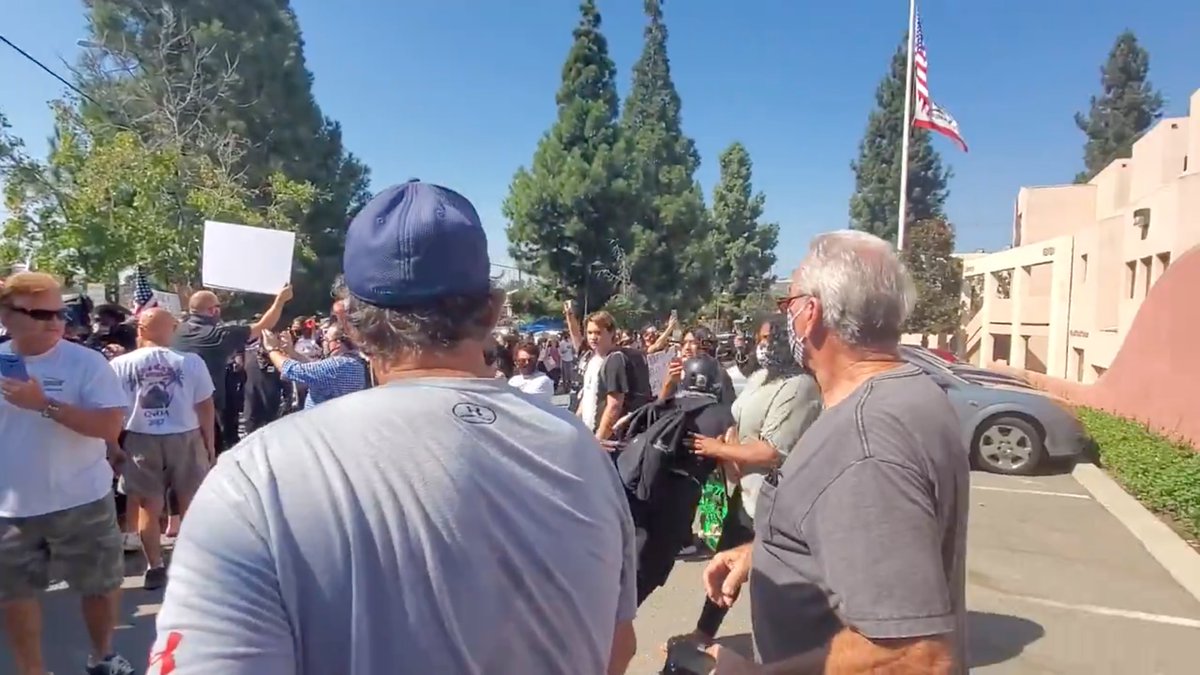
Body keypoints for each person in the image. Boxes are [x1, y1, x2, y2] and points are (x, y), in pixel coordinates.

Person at [149, 180, 638, 675]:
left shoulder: (254, 479)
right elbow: (618, 649)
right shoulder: (582, 451)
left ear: (356, 328)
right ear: (491, 312)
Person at [703, 231, 969, 674]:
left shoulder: (865, 439)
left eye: (788, 304)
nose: (784, 318)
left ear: (811, 314)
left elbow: (914, 656)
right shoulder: (909, 394)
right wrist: (766, 552)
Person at [0, 272, 135, 675]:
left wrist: (45, 405)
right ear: (7, 315)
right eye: (41, 314)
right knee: (15, 596)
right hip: (11, 507)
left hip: (82, 499)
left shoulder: (86, 362)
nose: (56, 322)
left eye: (61, 312)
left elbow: (110, 427)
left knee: (99, 587)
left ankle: (102, 654)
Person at [671, 314, 822, 647]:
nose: (762, 345)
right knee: (726, 565)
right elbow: (739, 417)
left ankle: (787, 653)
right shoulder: (762, 377)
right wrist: (731, 446)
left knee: (774, 579)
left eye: (769, 338)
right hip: (746, 491)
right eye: (760, 339)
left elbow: (773, 452)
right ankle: (703, 634)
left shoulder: (800, 387)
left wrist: (719, 448)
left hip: (779, 500)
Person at [109, 308, 216, 590]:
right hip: (185, 436)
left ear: (141, 330)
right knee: (191, 503)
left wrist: (112, 445)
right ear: (171, 329)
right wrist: (209, 443)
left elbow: (113, 411)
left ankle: (155, 566)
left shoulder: (120, 364)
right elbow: (204, 406)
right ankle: (194, 564)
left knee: (148, 506)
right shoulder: (191, 362)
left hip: (141, 437)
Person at [617, 353, 734, 606]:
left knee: (626, 566)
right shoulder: (723, 416)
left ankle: (607, 621)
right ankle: (612, 629)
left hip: (639, 490)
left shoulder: (665, 404)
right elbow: (734, 470)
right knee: (650, 571)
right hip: (678, 501)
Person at [172, 285, 292, 453]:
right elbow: (263, 326)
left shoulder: (177, 331)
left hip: (173, 409)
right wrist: (280, 301)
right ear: (213, 311)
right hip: (205, 411)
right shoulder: (218, 334)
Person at [565, 305, 654, 441]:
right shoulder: (591, 358)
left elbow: (614, 406)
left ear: (611, 333)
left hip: (607, 440)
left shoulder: (614, 360)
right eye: (589, 333)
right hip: (589, 434)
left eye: (598, 333)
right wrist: (576, 424)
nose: (593, 337)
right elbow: (589, 395)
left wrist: (599, 441)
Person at [262, 323, 367, 408]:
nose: (322, 343)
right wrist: (291, 352)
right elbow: (314, 368)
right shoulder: (352, 362)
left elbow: (293, 370)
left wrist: (272, 349)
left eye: (325, 339)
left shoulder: (339, 365)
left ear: (337, 343)